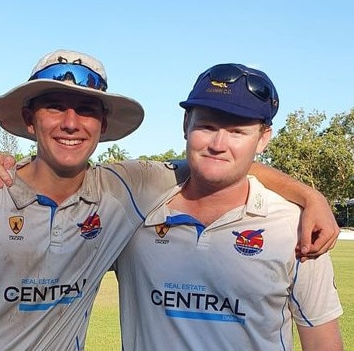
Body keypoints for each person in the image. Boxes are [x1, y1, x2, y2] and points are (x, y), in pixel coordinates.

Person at [0, 49, 337, 350]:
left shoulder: (123, 190)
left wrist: (309, 195)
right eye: (55, 106)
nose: (70, 123)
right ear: (29, 118)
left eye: (86, 109)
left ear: (103, 123)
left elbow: (219, 160)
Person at [114, 63, 343, 350]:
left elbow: (322, 341)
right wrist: (311, 194)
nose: (218, 144)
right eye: (208, 126)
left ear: (263, 139)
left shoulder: (296, 227)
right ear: (186, 124)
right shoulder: (134, 208)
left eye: (237, 131)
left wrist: (311, 198)